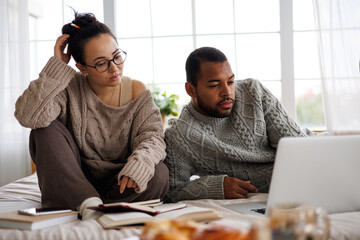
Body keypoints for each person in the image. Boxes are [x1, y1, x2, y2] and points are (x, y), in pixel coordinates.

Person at [14, 12, 169, 219]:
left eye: (117, 56)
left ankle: (90, 204)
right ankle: (86, 199)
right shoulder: (67, 87)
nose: (114, 68)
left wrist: (140, 164)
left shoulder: (136, 90)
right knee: (44, 129)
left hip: (121, 180)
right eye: (101, 63)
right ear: (82, 67)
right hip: (74, 176)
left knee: (158, 173)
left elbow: (153, 136)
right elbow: (28, 117)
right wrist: (56, 67)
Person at [164, 47, 316, 203]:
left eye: (230, 82)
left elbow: (299, 146)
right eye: (215, 85)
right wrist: (217, 186)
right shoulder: (179, 135)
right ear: (190, 89)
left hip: (313, 154)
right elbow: (172, 191)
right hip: (280, 191)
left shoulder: (253, 91)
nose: (227, 92)